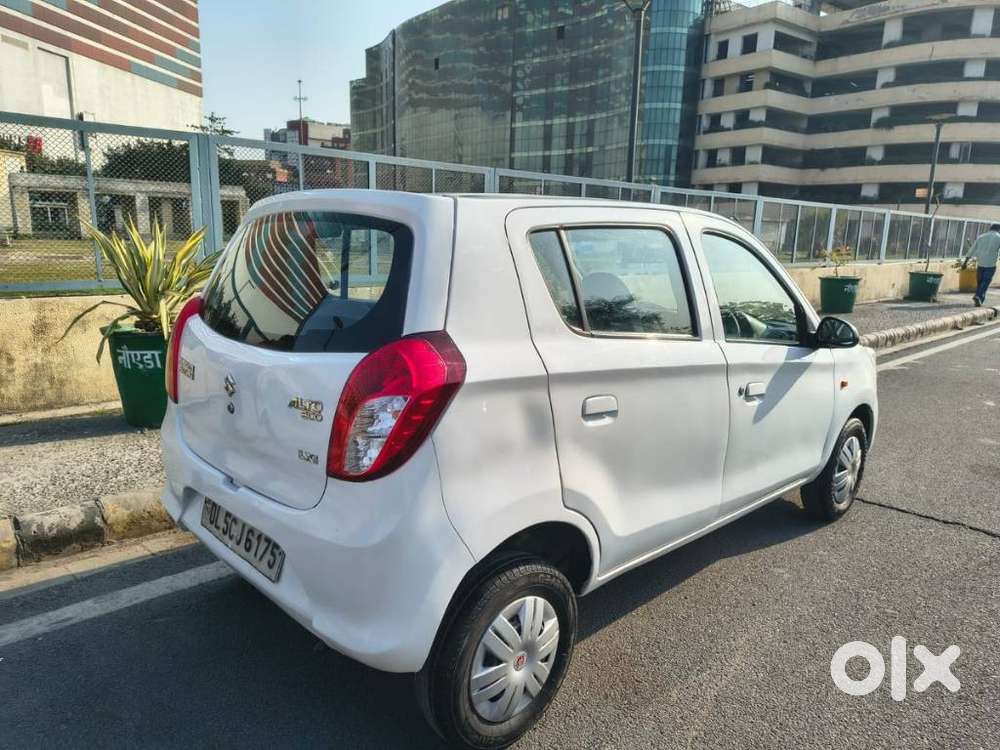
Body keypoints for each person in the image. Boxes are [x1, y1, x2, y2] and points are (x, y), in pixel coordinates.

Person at [962, 223, 1000, 306]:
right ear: (998, 230)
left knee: (980, 282)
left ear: (990, 229)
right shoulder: (998, 237)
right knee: (986, 281)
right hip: (991, 264)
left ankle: (979, 300)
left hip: (980, 263)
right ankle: (978, 296)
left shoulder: (981, 236)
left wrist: (965, 263)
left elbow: (972, 249)